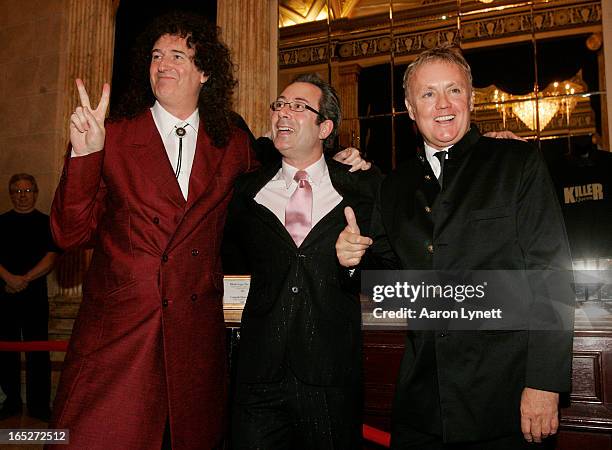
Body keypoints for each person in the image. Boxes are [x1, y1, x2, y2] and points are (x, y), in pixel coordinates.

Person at [49, 11, 367, 450]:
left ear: (204, 72)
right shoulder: (113, 134)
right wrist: (84, 156)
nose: (164, 64)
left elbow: (291, 171)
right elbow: (68, 234)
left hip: (194, 343)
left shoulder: (233, 145)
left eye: (178, 55)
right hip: (120, 337)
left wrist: (342, 165)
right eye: (156, 55)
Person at [336, 44, 575, 449]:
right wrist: (353, 261)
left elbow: (552, 275)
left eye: (454, 90)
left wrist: (544, 384)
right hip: (423, 404)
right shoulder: (394, 186)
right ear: (411, 108)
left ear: (471, 98)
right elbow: (394, 284)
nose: (442, 104)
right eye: (428, 94)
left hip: (507, 399)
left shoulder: (516, 163)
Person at [225, 73, 381, 449]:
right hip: (258, 377)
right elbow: (226, 258)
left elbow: (388, 268)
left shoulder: (361, 187)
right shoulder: (247, 191)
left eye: (298, 107)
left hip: (331, 379)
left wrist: (355, 264)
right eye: (280, 104)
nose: (283, 113)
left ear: (325, 126)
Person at [0, 173, 58, 421]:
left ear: (35, 193)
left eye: (27, 191)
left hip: (35, 295)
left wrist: (23, 279)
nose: (22, 196)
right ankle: (11, 402)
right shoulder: (0, 222)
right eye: (17, 191)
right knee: (6, 351)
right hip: (4, 295)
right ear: (11, 194)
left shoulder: (47, 223)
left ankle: (39, 405)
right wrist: (9, 279)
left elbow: (51, 258)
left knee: (38, 351)